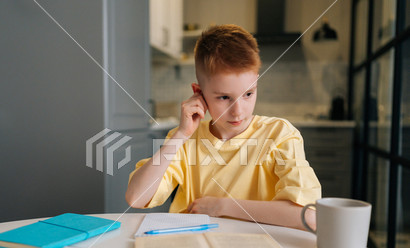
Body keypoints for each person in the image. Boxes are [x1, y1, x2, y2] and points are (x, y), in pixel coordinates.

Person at [126, 24, 321, 231]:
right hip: (198, 247)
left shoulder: (280, 134)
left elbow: (308, 216)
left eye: (248, 94)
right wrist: (181, 134)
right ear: (198, 93)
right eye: (224, 97)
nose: (238, 111)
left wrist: (223, 206)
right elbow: (136, 197)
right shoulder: (184, 139)